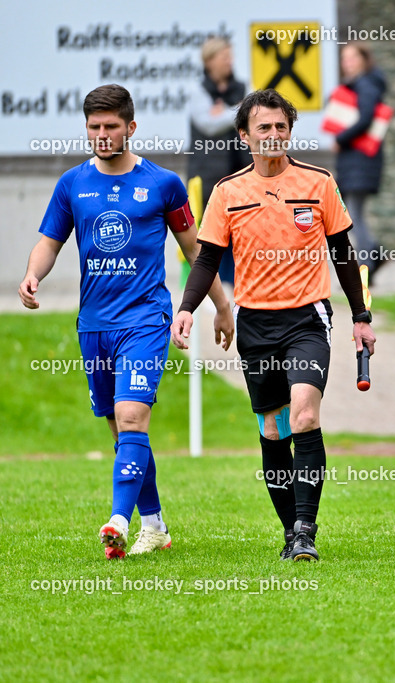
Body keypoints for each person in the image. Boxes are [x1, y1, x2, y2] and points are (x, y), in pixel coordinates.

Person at [18, 84, 234, 559]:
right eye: (94, 127)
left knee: (131, 415)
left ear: (130, 127)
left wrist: (219, 305)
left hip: (145, 319)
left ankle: (118, 519)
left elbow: (195, 250)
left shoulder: (163, 184)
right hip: (94, 324)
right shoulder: (72, 184)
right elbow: (49, 242)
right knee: (122, 432)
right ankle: (154, 525)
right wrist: (33, 274)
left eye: (110, 126)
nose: (101, 134)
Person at [170, 89, 375, 561]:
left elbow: (344, 254)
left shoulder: (319, 183)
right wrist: (187, 307)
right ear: (244, 136)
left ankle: (306, 529)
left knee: (304, 412)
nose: (273, 135)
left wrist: (361, 316)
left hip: (308, 317)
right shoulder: (227, 192)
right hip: (255, 324)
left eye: (281, 126)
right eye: (263, 127)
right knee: (272, 430)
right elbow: (207, 260)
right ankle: (290, 531)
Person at [187, 36, 249, 284]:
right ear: (210, 60)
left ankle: (241, 287)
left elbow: (253, 113)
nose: (229, 62)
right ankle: (219, 292)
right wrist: (238, 110)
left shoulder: (244, 87)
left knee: (241, 232)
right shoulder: (197, 91)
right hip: (208, 177)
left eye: (230, 57)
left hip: (242, 172)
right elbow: (208, 124)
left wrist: (223, 112)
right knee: (214, 236)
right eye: (225, 57)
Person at [333, 43, 388, 283]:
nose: (347, 63)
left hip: (360, 161)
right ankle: (375, 254)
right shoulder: (357, 85)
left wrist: (340, 137)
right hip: (354, 162)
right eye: (344, 58)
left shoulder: (365, 85)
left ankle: (366, 267)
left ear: (364, 60)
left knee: (354, 215)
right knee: (354, 214)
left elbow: (365, 118)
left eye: (352, 58)